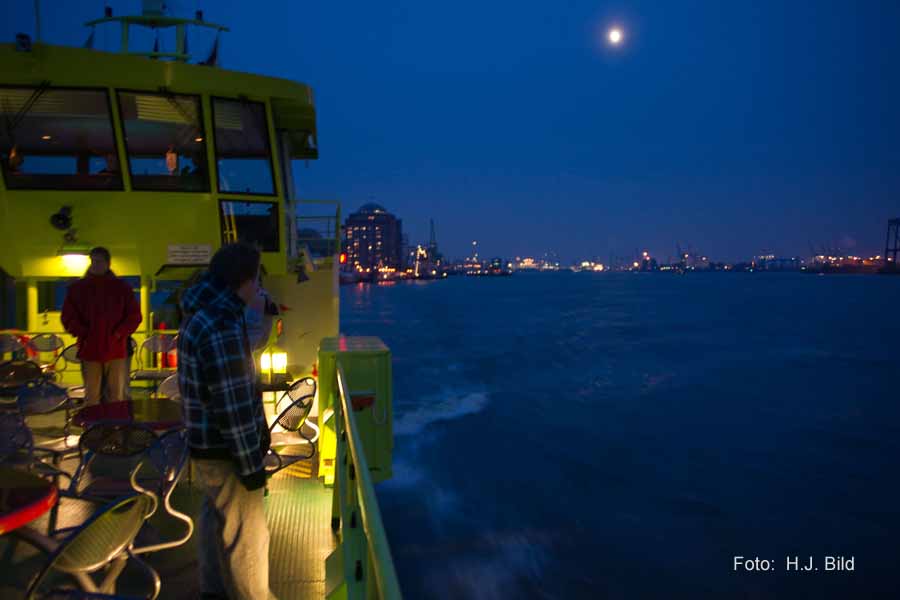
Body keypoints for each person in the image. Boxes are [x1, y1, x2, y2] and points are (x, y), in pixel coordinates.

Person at [177, 243, 275, 600]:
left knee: (215, 520)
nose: (259, 286)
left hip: (205, 447)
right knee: (248, 536)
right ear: (243, 281)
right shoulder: (220, 324)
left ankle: (214, 591)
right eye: (257, 278)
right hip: (225, 450)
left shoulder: (202, 313)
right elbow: (232, 404)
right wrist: (251, 466)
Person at [61, 247, 142, 405]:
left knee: (116, 396)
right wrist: (85, 333)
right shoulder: (78, 289)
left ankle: (115, 428)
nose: (96, 264)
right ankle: (96, 429)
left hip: (114, 349)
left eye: (99, 261)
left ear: (108, 263)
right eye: (93, 261)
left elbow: (134, 316)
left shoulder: (121, 288)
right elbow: (68, 318)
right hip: (96, 349)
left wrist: (118, 334)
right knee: (93, 396)